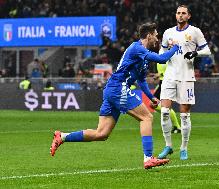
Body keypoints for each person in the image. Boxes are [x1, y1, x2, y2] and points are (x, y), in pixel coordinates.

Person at [50, 23, 179, 169]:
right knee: (147, 117)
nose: (157, 38)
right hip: (118, 87)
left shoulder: (143, 56)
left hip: (112, 89)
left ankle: (62, 136)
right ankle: (148, 158)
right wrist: (175, 47)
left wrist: (151, 97)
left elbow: (141, 80)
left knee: (102, 133)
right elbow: (162, 59)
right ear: (149, 35)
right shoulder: (136, 48)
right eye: (155, 35)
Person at [158, 5, 211, 160]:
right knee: (164, 112)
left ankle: (184, 147)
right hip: (169, 75)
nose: (180, 15)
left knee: (184, 115)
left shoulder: (195, 31)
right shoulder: (168, 32)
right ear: (175, 15)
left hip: (186, 76)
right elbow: (161, 52)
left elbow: (207, 50)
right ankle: (168, 146)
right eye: (178, 13)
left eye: (183, 13)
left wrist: (196, 53)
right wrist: (167, 53)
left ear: (189, 16)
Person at [152, 62, 181, 133]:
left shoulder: (168, 56)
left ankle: (176, 126)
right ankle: (174, 124)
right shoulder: (160, 56)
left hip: (167, 83)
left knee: (155, 104)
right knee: (153, 104)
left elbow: (174, 69)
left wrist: (161, 74)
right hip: (162, 82)